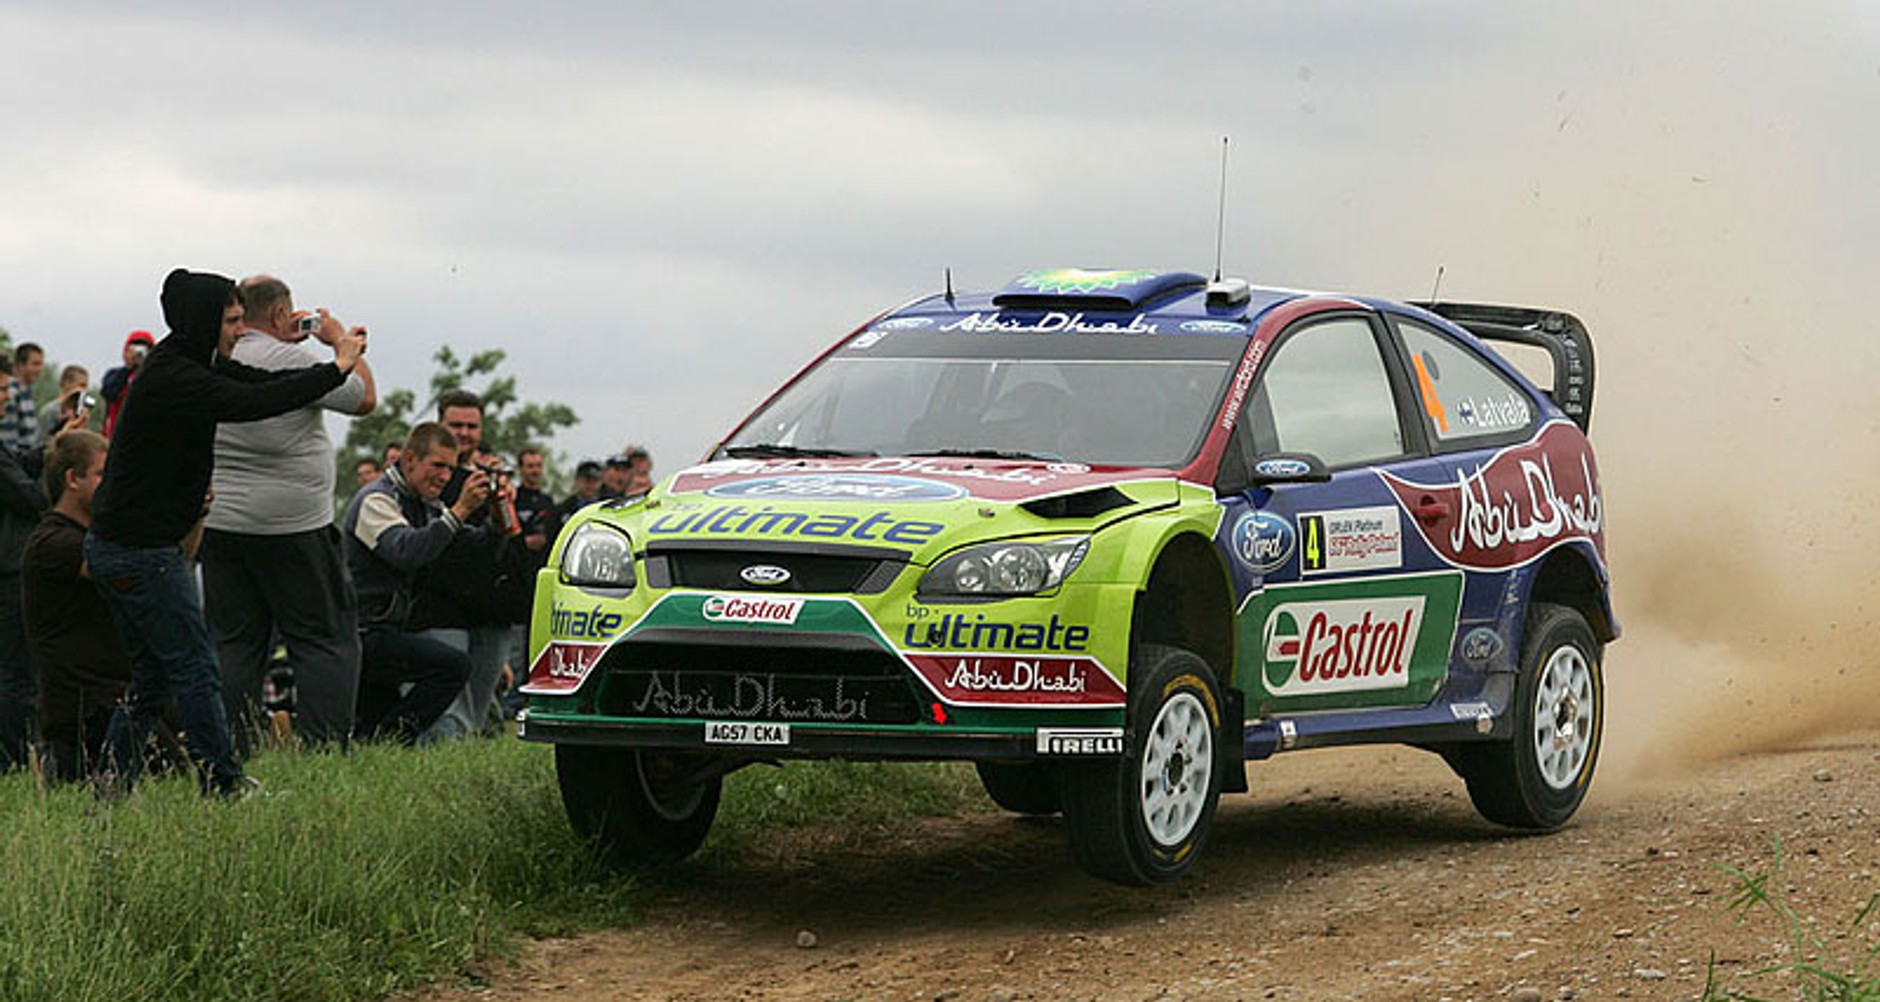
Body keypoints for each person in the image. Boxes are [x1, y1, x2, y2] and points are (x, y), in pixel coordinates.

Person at [85, 268, 365, 798]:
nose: (241, 330)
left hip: (126, 548)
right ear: (203, 321)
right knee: (195, 668)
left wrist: (323, 366)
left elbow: (259, 383)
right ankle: (224, 783)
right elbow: (253, 405)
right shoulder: (178, 378)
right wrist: (339, 366)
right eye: (233, 321)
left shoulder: (190, 361)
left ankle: (111, 783)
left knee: (153, 677)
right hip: (141, 553)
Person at [200, 274, 377, 752]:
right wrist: (339, 342)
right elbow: (363, 397)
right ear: (281, 313)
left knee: (234, 643)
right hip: (293, 526)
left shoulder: (215, 360)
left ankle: (230, 744)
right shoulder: (293, 361)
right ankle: (324, 745)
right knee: (323, 638)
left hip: (222, 522)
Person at [342, 422, 481, 742]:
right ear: (409, 460)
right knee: (453, 667)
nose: (445, 477)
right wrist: (460, 510)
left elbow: (466, 546)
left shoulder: (422, 503)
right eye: (438, 466)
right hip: (361, 633)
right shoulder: (376, 499)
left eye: (451, 468)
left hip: (385, 631)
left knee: (371, 726)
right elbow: (406, 551)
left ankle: (383, 745)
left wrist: (499, 516)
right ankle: (393, 742)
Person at [408, 389, 522, 740]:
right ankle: (436, 765)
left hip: (489, 609)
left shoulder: (492, 478)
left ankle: (459, 763)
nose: (464, 433)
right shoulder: (429, 479)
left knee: (475, 711)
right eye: (455, 425)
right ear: (439, 425)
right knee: (447, 711)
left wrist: (502, 504)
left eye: (471, 426)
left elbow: (505, 543)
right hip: (439, 607)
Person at [23, 431, 127, 781]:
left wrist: (196, 510)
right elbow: (130, 572)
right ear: (72, 479)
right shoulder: (52, 542)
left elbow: (171, 563)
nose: (112, 484)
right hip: (85, 707)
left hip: (117, 693)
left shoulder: (94, 537)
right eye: (101, 474)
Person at [0, 373, 46, 771]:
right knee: (15, 672)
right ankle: (13, 759)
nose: (7, 398)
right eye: (0, 390)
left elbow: (17, 464)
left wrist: (56, 442)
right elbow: (29, 495)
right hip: (8, 570)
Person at [100, 330, 154, 438]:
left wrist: (149, 364)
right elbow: (109, 393)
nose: (139, 353)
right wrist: (128, 368)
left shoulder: (155, 377)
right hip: (114, 435)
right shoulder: (115, 375)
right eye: (135, 348)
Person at [0, 343, 45, 455]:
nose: (39, 369)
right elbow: (8, 435)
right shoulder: (12, 392)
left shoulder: (26, 391)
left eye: (41, 364)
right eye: (35, 364)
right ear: (20, 365)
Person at [36, 364, 89, 449]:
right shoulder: (51, 410)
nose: (84, 391)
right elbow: (41, 443)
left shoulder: (78, 411)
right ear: (66, 383)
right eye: (81, 385)